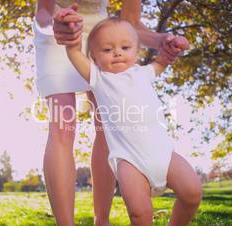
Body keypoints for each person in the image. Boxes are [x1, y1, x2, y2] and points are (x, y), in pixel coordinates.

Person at [34, 1, 185, 225]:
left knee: (107, 128)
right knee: (62, 128)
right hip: (59, 30)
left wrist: (162, 41)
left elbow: (131, 24)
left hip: (102, 36)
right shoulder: (56, 24)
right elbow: (43, 11)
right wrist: (56, 24)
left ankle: (101, 220)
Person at [64, 17, 202, 226]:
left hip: (163, 153)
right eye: (107, 50)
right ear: (94, 57)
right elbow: (74, 54)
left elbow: (162, 61)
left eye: (125, 47)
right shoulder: (99, 79)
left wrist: (173, 48)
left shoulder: (143, 73)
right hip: (129, 161)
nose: (117, 52)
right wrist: (72, 43)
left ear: (136, 51)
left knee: (192, 193)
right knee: (139, 213)